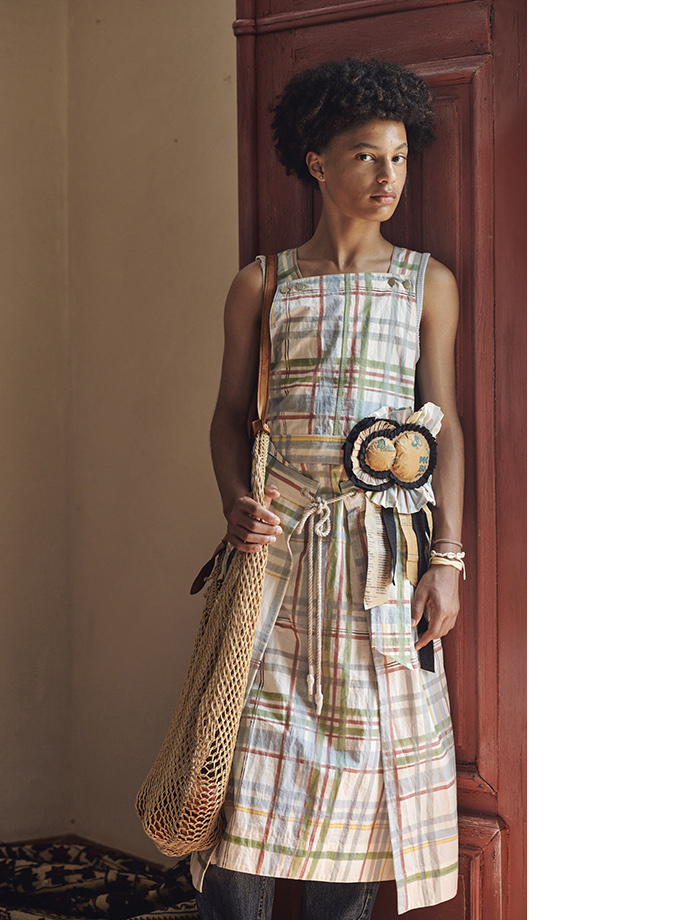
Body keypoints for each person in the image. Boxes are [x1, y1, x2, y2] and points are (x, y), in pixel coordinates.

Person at [193, 58, 465, 919]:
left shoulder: (425, 283)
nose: (389, 177)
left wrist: (448, 559)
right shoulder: (264, 283)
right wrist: (234, 499)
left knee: (361, 775)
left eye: (400, 157)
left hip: (378, 568)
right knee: (243, 767)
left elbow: (445, 426)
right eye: (366, 157)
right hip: (275, 563)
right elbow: (227, 416)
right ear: (317, 161)